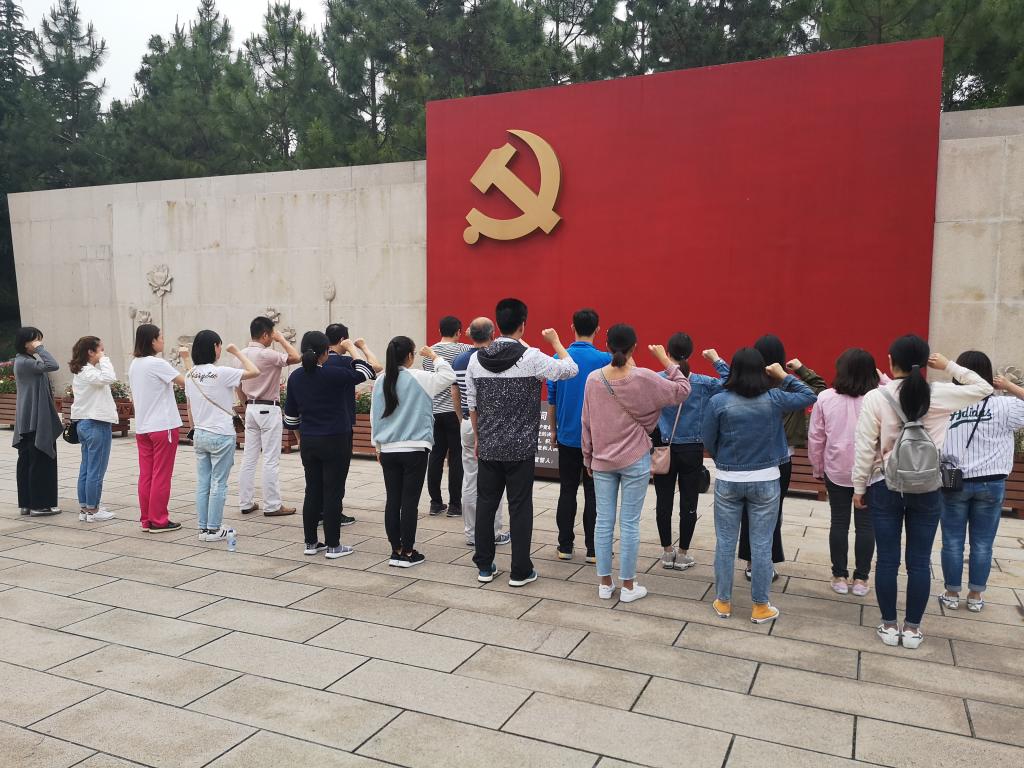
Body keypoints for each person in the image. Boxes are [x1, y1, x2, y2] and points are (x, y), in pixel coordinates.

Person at [853, 335, 992, 649]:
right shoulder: (939, 393)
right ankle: (913, 630)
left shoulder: (876, 397)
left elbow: (864, 448)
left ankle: (889, 625)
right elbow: (984, 388)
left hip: (884, 485)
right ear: (926, 361)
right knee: (919, 561)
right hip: (928, 488)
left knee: (887, 560)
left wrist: (859, 487)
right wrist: (950, 366)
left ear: (891, 360)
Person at [466, 298, 579, 586]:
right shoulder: (532, 357)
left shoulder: (476, 360)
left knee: (486, 504)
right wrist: (556, 342)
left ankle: (484, 566)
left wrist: (478, 438)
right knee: (520, 507)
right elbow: (570, 369)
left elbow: (473, 405)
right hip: (521, 448)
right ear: (523, 325)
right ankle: (520, 570)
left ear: (497, 324)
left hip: (489, 446)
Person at [703, 348, 817, 624]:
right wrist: (784, 376)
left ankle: (723, 601)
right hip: (766, 478)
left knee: (725, 543)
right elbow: (810, 394)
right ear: (761, 371)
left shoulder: (718, 401)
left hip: (729, 479)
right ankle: (760, 606)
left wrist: (723, 460)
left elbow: (708, 438)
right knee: (762, 544)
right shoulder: (774, 398)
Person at [581, 325, 691, 603]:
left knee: (603, 522)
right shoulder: (643, 377)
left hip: (602, 459)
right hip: (635, 458)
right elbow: (683, 390)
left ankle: (605, 583)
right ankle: (628, 586)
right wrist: (666, 361)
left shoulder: (594, 379)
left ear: (607, 346)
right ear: (635, 347)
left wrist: (587, 456)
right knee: (629, 523)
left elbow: (587, 422)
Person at [939, 352, 1024, 613]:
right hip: (992, 483)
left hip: (954, 481)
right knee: (983, 543)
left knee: (952, 540)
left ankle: (952, 593)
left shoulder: (946, 404)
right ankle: (975, 596)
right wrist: (1009, 387)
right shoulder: (1006, 406)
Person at [738, 335, 826, 581]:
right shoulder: (790, 387)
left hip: (751, 459)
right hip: (781, 461)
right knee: (773, 513)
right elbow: (819, 391)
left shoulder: (748, 386)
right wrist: (799, 370)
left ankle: (751, 562)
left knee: (748, 510)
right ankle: (766, 562)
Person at [284, 331, 376, 559]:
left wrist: (300, 438)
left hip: (309, 440)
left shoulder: (295, 377)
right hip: (336, 438)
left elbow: (291, 418)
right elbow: (367, 371)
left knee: (312, 491)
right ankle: (333, 545)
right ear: (326, 352)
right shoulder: (333, 374)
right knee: (333, 492)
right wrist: (352, 348)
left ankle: (311, 543)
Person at [371, 336, 457, 567]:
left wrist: (377, 447)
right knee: (409, 502)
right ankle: (408, 552)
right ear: (410, 355)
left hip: (388, 448)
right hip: (415, 448)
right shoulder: (419, 377)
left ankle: (396, 550)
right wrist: (435, 356)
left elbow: (374, 416)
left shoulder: (380, 381)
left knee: (393, 500)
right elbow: (448, 376)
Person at [808, 348, 886, 596]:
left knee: (839, 522)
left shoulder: (825, 398)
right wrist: (883, 377)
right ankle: (861, 579)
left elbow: (816, 437)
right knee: (866, 526)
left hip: (836, 469)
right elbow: (897, 392)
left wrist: (817, 467)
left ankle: (839, 575)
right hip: (871, 472)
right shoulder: (880, 397)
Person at [654, 337, 730, 570]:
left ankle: (667, 552)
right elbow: (730, 381)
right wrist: (716, 360)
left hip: (664, 447)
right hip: (692, 448)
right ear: (690, 353)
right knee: (689, 502)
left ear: (667, 352)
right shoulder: (702, 382)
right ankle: (683, 553)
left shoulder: (657, 379)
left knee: (663, 501)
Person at [549, 308, 611, 563]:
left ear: (572, 327)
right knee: (594, 493)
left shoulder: (559, 358)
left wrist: (554, 430)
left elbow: (552, 400)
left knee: (567, 490)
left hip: (567, 436)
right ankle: (594, 550)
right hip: (597, 439)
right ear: (598, 329)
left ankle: (565, 546)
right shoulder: (606, 360)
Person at [185, 330, 259, 541]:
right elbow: (254, 371)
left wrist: (194, 429)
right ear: (215, 347)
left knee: (203, 483)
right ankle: (214, 528)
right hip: (221, 434)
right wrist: (237, 352)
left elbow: (190, 407)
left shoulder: (190, 375)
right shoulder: (222, 372)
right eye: (219, 345)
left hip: (200, 433)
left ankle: (204, 529)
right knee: (219, 482)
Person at [451, 318, 510, 547]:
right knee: (495, 480)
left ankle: (471, 533)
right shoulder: (494, 358)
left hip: (467, 421)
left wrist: (461, 419)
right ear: (492, 334)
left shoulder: (459, 359)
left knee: (470, 478)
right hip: (490, 425)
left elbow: (455, 393)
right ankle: (492, 532)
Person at [238, 317, 301, 518]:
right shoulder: (268, 354)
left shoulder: (241, 354)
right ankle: (272, 505)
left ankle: (245, 502)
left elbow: (237, 385)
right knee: (270, 459)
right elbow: (296, 357)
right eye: (272, 334)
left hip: (250, 408)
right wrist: (282, 339)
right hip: (268, 408)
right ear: (266, 334)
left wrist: (246, 404)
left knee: (249, 458)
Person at [128, 324, 186, 533]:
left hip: (143, 427)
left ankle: (147, 519)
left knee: (147, 475)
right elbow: (185, 383)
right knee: (161, 474)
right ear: (152, 340)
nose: (163, 340)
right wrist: (186, 359)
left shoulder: (135, 364)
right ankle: (159, 520)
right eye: (160, 337)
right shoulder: (157, 363)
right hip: (163, 426)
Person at [325, 322, 383, 526]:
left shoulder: (318, 361)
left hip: (317, 427)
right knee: (338, 472)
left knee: (320, 474)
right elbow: (376, 368)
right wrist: (360, 347)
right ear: (343, 339)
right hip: (341, 425)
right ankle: (334, 513)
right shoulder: (344, 362)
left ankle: (320, 512)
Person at [423, 315, 472, 516]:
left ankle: (435, 502)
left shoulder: (429, 353)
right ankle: (455, 505)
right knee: (456, 457)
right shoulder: (463, 350)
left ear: (439, 330)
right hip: (454, 411)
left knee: (436, 456)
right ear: (459, 332)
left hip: (434, 411)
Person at [13, 327, 62, 516]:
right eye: (35, 340)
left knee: (28, 461)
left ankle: (27, 504)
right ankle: (39, 505)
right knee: (41, 461)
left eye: (40, 339)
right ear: (24, 343)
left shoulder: (24, 361)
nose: (38, 343)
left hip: (28, 420)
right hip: (36, 420)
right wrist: (41, 349)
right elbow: (53, 365)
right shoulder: (26, 362)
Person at [69, 336, 118, 522]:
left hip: (85, 424)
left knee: (87, 468)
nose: (103, 353)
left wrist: (102, 359)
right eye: (100, 349)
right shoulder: (88, 371)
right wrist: (105, 359)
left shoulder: (83, 371)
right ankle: (93, 510)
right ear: (91, 351)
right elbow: (109, 377)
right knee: (96, 469)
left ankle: (86, 508)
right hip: (96, 423)